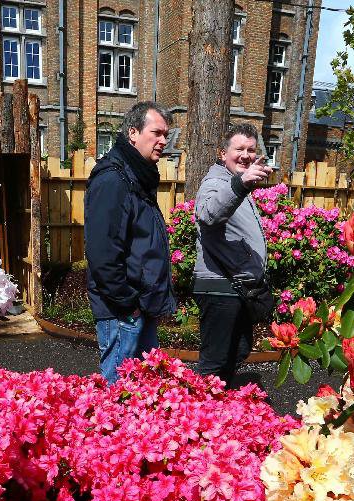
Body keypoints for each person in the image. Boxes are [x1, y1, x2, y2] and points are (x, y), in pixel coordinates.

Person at [84, 101, 176, 383]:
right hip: (122, 312)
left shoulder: (138, 177)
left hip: (140, 307)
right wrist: (128, 303)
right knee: (119, 392)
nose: (163, 141)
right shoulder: (114, 180)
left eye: (166, 135)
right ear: (133, 133)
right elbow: (102, 254)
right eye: (156, 133)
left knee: (142, 391)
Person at [193, 123, 273, 384]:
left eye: (251, 150)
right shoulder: (216, 182)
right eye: (239, 149)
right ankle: (201, 405)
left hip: (236, 289)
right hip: (220, 288)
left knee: (236, 352)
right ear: (222, 153)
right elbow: (209, 214)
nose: (246, 155)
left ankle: (222, 401)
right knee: (214, 364)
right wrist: (240, 184)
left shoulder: (235, 183)